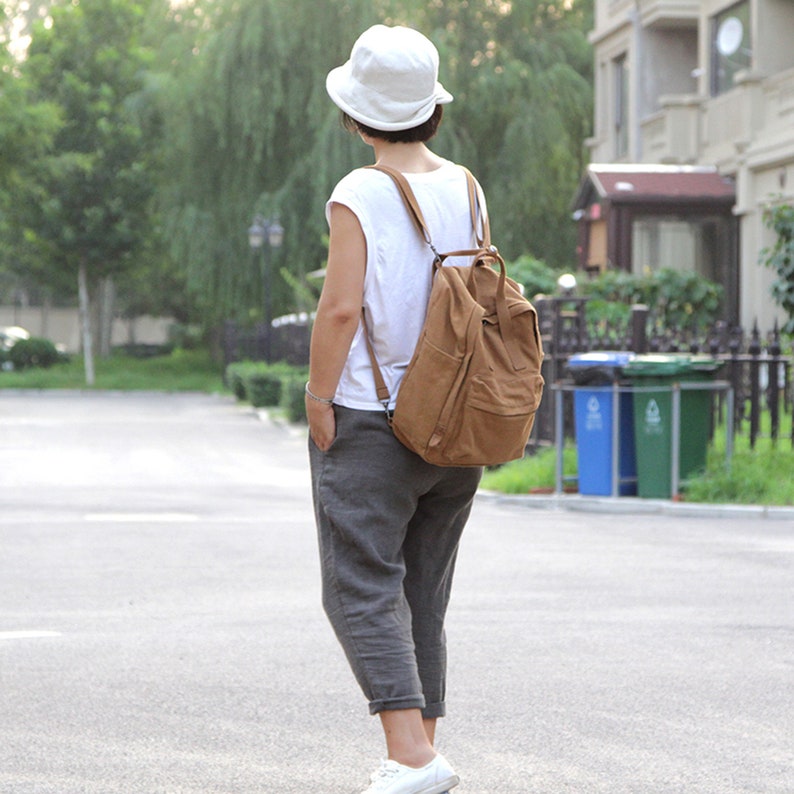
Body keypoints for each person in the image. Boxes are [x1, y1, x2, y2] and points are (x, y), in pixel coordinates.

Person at [305, 24, 486, 794]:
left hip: (374, 419)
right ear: (430, 109)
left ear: (358, 115)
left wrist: (317, 398)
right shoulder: (468, 187)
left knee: (359, 584)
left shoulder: (360, 191)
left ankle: (412, 757)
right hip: (458, 420)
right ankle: (417, 754)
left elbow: (341, 310)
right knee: (422, 592)